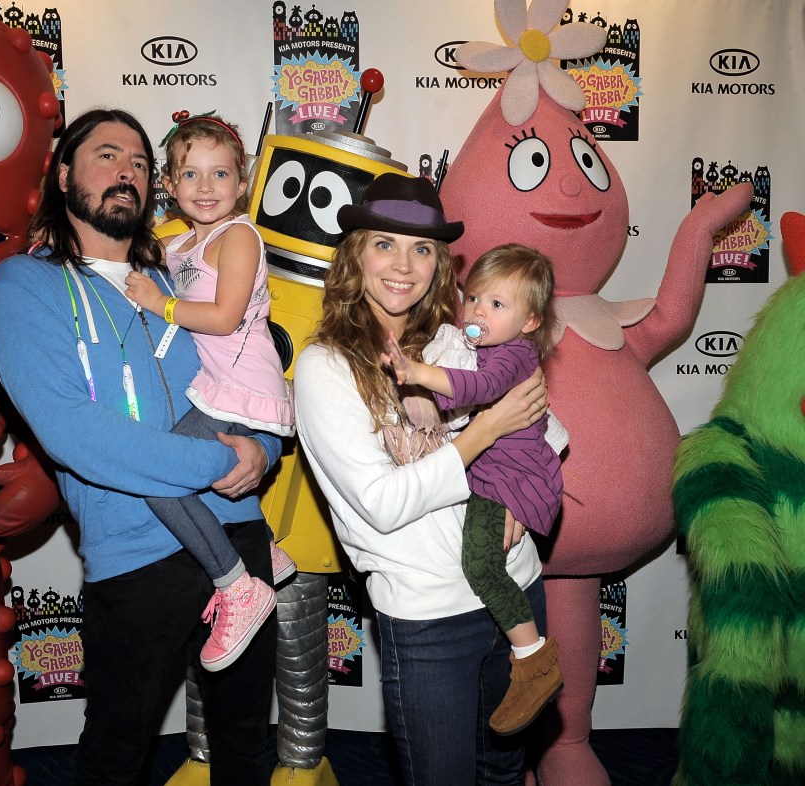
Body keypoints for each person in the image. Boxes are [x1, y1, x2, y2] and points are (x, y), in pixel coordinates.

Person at [0, 108, 280, 786]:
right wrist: (219, 460)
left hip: (240, 534)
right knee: (116, 756)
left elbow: (245, 369)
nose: (128, 172)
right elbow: (73, 432)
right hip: (136, 554)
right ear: (62, 176)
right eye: (108, 155)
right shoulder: (24, 284)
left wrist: (261, 448)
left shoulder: (181, 281)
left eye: (141, 163)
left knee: (245, 748)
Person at [293, 172, 551, 785]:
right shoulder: (324, 367)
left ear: (440, 264)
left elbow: (544, 428)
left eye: (422, 249)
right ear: (354, 255)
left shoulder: (459, 340)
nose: (404, 265)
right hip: (428, 617)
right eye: (385, 243)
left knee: (505, 770)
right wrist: (481, 435)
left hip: (516, 587)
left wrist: (524, 487)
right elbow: (383, 504)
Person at [124, 111, 295, 673]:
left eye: (220, 175)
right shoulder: (181, 245)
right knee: (195, 472)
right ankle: (265, 549)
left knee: (156, 475)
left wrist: (161, 304)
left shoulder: (239, 236)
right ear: (169, 187)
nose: (205, 188)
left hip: (244, 390)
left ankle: (238, 585)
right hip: (217, 389)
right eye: (190, 175)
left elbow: (223, 317)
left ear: (242, 183)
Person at [381, 242, 564, 737]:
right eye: (475, 298)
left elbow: (475, 390)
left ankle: (532, 660)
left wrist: (417, 372)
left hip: (508, 481)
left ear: (530, 322)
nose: (479, 311)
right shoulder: (490, 348)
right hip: (500, 474)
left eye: (497, 305)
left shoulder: (512, 357)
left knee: (480, 563)